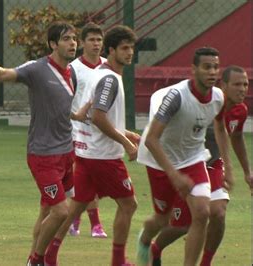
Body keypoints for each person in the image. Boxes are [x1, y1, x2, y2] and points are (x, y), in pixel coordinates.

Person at [0, 21, 90, 266]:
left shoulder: (71, 72)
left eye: (74, 38)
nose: (73, 43)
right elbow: (4, 75)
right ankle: (36, 259)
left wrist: (77, 115)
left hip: (66, 152)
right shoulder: (37, 69)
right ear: (53, 44)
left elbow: (61, 106)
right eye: (66, 39)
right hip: (43, 155)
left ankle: (38, 259)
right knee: (61, 211)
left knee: (50, 212)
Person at [45, 25, 140, 266]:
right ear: (112, 50)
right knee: (129, 205)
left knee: (75, 207)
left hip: (88, 152)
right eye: (124, 48)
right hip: (103, 156)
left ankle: (49, 254)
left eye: (132, 48)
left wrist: (127, 132)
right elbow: (98, 117)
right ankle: (118, 260)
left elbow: (89, 113)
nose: (130, 53)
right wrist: (127, 143)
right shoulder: (109, 79)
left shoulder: (101, 73)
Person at [144, 65, 251, 266]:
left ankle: (205, 262)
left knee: (218, 213)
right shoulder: (204, 107)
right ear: (223, 86)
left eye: (245, 84)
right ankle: (155, 249)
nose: (243, 89)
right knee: (182, 225)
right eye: (237, 84)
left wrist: (246, 172)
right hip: (188, 164)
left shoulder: (239, 110)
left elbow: (235, 136)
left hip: (213, 164)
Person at [68, 22, 108, 239]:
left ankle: (75, 219)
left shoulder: (108, 67)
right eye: (91, 40)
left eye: (99, 40)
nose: (96, 44)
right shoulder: (73, 68)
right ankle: (96, 224)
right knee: (86, 177)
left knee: (88, 180)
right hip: (77, 131)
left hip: (102, 130)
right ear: (82, 43)